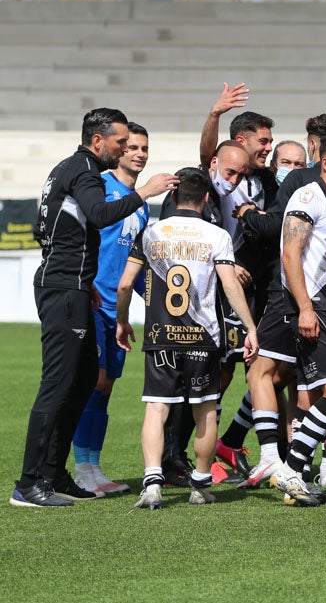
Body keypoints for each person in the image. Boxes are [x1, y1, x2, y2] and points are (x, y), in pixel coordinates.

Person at [11, 108, 175, 508]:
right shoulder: (86, 171)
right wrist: (145, 192)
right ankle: (28, 484)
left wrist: (83, 279)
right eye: (120, 141)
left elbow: (43, 228)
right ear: (98, 140)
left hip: (72, 286)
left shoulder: (64, 168)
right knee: (58, 383)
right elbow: (101, 216)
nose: (124, 148)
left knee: (84, 377)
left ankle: (54, 474)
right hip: (65, 288)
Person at [116, 167, 258, 509]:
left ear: (173, 196)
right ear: (207, 198)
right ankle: (200, 484)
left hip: (160, 336)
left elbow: (124, 284)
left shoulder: (151, 233)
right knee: (205, 409)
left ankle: (152, 483)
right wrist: (251, 327)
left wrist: (122, 321)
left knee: (156, 407)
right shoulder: (217, 235)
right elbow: (229, 284)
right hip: (202, 337)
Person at [268, 135, 326, 507]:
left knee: (316, 394)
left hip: (325, 307)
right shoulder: (308, 197)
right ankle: (290, 471)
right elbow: (291, 254)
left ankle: (296, 475)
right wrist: (305, 307)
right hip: (314, 307)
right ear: (325, 163)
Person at [71, 121, 153, 497]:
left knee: (106, 389)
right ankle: (80, 467)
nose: (138, 154)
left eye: (144, 148)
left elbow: (133, 266)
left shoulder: (142, 207)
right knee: (95, 382)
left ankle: (94, 466)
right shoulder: (101, 189)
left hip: (114, 309)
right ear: (119, 150)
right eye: (132, 147)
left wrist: (156, 300)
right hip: (93, 302)